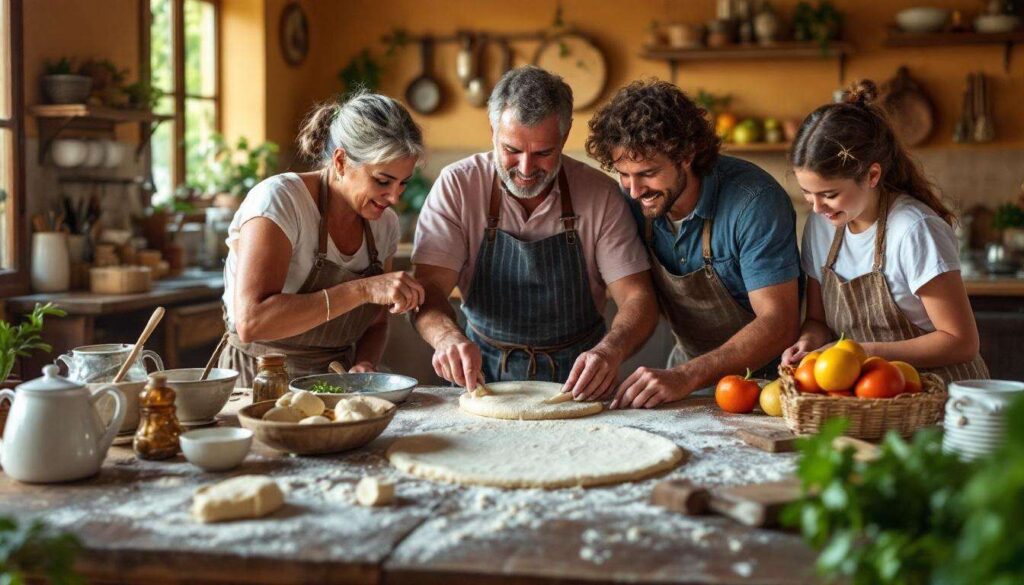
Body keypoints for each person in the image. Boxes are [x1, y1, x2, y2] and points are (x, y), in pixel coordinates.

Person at [412, 66, 657, 399]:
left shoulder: (600, 194)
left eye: (543, 153)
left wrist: (610, 351)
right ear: (493, 130)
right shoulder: (459, 186)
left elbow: (637, 296)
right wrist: (446, 339)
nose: (526, 170)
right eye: (512, 150)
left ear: (565, 135)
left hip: (578, 382)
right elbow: (429, 290)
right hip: (480, 376)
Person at [585, 80, 802, 409]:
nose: (633, 190)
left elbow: (779, 322)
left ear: (686, 154)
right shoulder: (629, 202)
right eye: (623, 174)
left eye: (648, 173)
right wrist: (610, 349)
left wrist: (687, 375)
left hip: (765, 389)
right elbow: (638, 299)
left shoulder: (753, 202)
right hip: (684, 381)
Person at [781, 81, 988, 381]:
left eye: (829, 194)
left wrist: (859, 352)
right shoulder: (821, 225)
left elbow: (961, 342)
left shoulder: (914, 230)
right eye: (807, 194)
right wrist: (807, 344)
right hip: (874, 397)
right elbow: (817, 320)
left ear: (872, 175)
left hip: (941, 394)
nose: (817, 207)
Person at [219, 91, 427, 386]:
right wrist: (363, 289)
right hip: (261, 380)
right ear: (341, 161)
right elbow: (252, 321)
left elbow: (376, 323)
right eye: (382, 181)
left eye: (403, 183)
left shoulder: (384, 225)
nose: (394, 196)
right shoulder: (280, 201)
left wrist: (365, 362)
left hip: (336, 383)